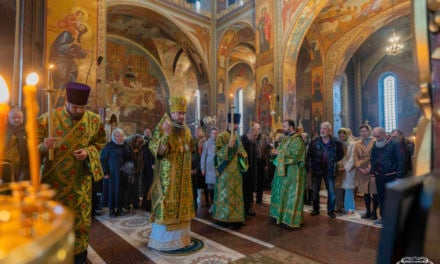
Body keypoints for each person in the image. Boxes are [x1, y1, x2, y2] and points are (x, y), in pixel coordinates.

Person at [37, 82, 106, 264]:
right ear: (66, 102)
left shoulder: (94, 120)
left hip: (80, 183)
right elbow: (31, 147)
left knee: (80, 222)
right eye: (75, 106)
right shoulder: (48, 119)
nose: (78, 110)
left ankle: (79, 257)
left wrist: (88, 153)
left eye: (82, 107)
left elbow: (101, 143)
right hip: (53, 183)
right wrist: (44, 146)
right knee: (54, 221)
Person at [147, 96, 194, 251]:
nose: (181, 116)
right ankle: (163, 242)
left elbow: (190, 148)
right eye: (178, 113)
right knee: (167, 203)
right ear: (172, 112)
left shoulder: (186, 130)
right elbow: (157, 151)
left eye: (183, 113)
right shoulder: (163, 125)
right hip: (168, 177)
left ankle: (182, 240)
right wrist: (166, 135)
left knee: (183, 205)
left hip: (183, 178)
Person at [212, 113, 248, 226]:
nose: (236, 126)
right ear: (229, 123)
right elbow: (216, 154)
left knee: (236, 195)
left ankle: (236, 218)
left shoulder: (237, 136)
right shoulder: (221, 136)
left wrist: (243, 155)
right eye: (234, 124)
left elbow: (242, 150)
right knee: (226, 194)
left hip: (236, 171)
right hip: (226, 172)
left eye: (237, 124)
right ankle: (223, 218)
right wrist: (228, 147)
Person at [270, 120, 306, 228]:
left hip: (292, 172)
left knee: (291, 195)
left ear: (291, 127)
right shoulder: (286, 139)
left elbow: (295, 155)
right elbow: (281, 151)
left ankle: (290, 219)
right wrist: (275, 152)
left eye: (285, 126)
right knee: (282, 193)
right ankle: (280, 216)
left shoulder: (298, 140)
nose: (283, 128)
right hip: (282, 171)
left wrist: (279, 153)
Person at [306, 121, 344, 218]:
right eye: (321, 128)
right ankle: (315, 209)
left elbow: (340, 154)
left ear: (329, 130)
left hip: (329, 170)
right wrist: (310, 168)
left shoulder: (336, 142)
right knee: (315, 191)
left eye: (325, 128)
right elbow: (309, 156)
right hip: (316, 169)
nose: (322, 130)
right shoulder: (314, 142)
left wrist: (333, 162)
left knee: (331, 192)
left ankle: (330, 211)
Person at [370, 127, 405, 226]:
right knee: (381, 198)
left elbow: (401, 160)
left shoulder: (395, 143)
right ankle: (384, 218)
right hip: (379, 176)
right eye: (375, 136)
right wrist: (372, 173)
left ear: (385, 134)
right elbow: (372, 159)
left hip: (392, 176)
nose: (377, 139)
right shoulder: (375, 143)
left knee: (392, 199)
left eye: (378, 136)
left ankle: (394, 219)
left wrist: (399, 176)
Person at [100, 128, 133, 217]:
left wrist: (130, 171)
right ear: (114, 137)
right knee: (112, 192)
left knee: (122, 192)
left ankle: (119, 209)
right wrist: (105, 172)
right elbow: (103, 160)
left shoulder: (126, 146)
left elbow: (130, 159)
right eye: (118, 136)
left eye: (121, 136)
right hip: (112, 174)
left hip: (124, 174)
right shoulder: (109, 146)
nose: (120, 138)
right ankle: (111, 210)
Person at [353, 124, 378, 220]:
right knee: (366, 193)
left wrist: (371, 168)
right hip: (362, 171)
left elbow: (377, 156)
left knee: (374, 193)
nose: (363, 133)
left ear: (369, 131)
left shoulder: (375, 141)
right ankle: (368, 211)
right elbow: (355, 157)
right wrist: (359, 167)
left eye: (365, 131)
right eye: (361, 132)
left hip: (373, 171)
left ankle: (374, 212)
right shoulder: (357, 143)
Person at [2, 108, 29, 183]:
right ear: (8, 118)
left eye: (19, 117)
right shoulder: (2, 130)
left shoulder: (27, 130)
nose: (17, 120)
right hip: (5, 166)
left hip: (24, 166)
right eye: (14, 117)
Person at [338, 128, 357, 215]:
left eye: (343, 134)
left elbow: (353, 157)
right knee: (340, 187)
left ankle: (350, 207)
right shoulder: (339, 144)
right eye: (340, 134)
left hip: (349, 169)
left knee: (349, 188)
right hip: (340, 169)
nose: (341, 135)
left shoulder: (353, 144)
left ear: (348, 134)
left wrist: (345, 167)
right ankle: (341, 206)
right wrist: (339, 165)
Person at [240, 127, 259, 216]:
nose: (256, 137)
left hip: (251, 171)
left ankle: (248, 208)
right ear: (249, 133)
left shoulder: (253, 142)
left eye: (257, 136)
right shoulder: (241, 141)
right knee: (244, 191)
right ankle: (243, 210)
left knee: (250, 190)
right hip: (243, 171)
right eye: (255, 135)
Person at [200, 127, 219, 211]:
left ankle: (218, 205)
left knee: (218, 188)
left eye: (216, 133)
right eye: (213, 133)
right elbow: (203, 156)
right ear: (211, 134)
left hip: (218, 168)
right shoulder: (207, 143)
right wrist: (203, 168)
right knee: (211, 187)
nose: (214, 135)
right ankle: (212, 204)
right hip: (210, 169)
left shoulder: (220, 143)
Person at [253, 122, 272, 205]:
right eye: (256, 128)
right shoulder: (251, 137)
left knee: (260, 181)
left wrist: (267, 164)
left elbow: (267, 152)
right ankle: (250, 200)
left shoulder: (264, 138)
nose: (257, 130)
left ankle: (259, 200)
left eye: (259, 128)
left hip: (261, 161)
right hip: (253, 162)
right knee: (253, 180)